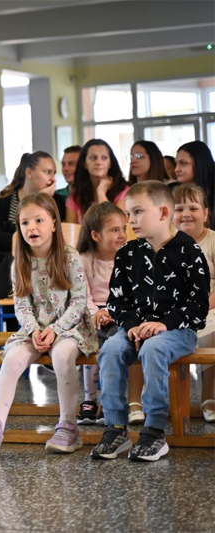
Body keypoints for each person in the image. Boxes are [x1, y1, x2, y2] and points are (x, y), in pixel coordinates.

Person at [0, 193, 97, 457]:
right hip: (35, 329)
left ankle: (69, 427)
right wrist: (35, 330)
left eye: (39, 220)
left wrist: (55, 330)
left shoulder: (70, 257)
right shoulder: (20, 262)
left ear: (54, 224)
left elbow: (79, 303)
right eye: (25, 223)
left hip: (69, 327)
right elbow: (22, 306)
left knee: (62, 356)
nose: (31, 228)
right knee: (12, 358)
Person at [92, 182, 209, 461]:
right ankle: (115, 428)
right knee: (110, 349)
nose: (130, 220)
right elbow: (116, 300)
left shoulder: (190, 252)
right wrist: (132, 324)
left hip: (178, 331)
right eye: (128, 213)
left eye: (138, 212)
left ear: (163, 212)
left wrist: (165, 324)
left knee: (153, 349)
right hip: (133, 328)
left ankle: (155, 430)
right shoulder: (128, 253)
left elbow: (198, 306)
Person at [0, 151, 66, 328]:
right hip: (5, 271)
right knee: (14, 256)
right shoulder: (4, 201)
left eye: (54, 173)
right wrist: (22, 242)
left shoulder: (55, 202)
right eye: (47, 172)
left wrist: (43, 200)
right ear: (29, 172)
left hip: (44, 265)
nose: (52, 179)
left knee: (16, 253)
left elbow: (53, 237)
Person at [75, 202, 128, 425]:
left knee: (113, 346)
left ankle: (110, 400)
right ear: (96, 235)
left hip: (119, 314)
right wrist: (95, 313)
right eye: (114, 230)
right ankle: (89, 400)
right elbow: (82, 295)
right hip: (90, 314)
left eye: (123, 228)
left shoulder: (128, 258)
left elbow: (130, 294)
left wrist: (112, 312)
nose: (122, 235)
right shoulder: (83, 260)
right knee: (90, 342)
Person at [172, 185, 215, 422]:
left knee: (211, 331)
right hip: (177, 309)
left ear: (206, 214)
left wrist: (200, 308)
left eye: (193, 208)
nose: (186, 214)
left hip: (210, 306)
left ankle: (209, 395)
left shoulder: (212, 241)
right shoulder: (167, 244)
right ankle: (171, 399)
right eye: (179, 209)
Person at [66, 139, 129, 224]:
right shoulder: (75, 196)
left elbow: (114, 224)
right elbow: (70, 230)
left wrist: (101, 192)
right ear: (84, 163)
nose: (99, 162)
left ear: (110, 163)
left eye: (104, 158)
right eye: (93, 158)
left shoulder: (124, 191)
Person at [175, 141, 215, 227]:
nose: (176, 169)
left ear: (199, 163)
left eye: (183, 163)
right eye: (176, 164)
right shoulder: (173, 191)